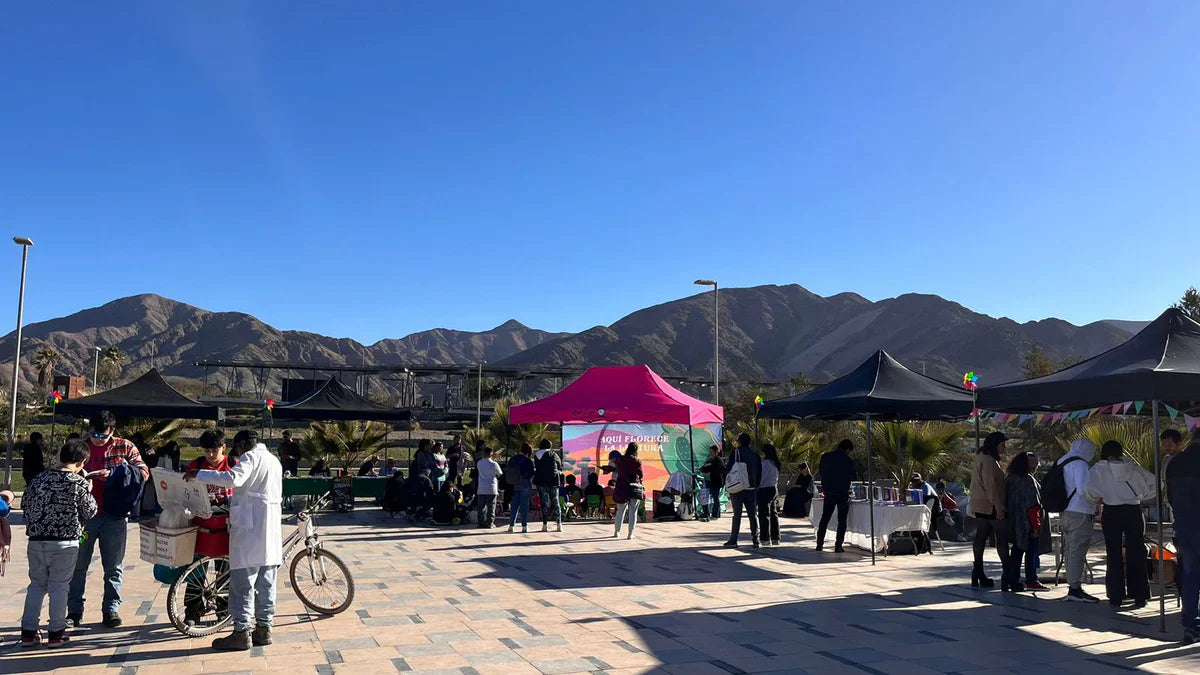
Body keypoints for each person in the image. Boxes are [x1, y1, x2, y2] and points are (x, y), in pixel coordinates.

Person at [188, 430, 283, 651]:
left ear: (241, 445)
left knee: (242, 584)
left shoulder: (250, 457)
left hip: (250, 530)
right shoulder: (273, 460)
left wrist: (199, 474)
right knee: (266, 583)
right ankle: (264, 628)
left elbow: (234, 478)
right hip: (269, 530)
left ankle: (241, 632)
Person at [68, 410, 148, 629]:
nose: (97, 439)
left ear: (111, 431)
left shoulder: (125, 446)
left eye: (102, 435)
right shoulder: (79, 447)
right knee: (78, 565)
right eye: (94, 434)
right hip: (84, 516)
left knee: (113, 566)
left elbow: (143, 472)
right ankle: (74, 610)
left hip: (114, 514)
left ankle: (110, 609)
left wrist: (114, 474)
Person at [20, 440, 97, 648]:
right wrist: (88, 490)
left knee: (36, 585)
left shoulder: (39, 479)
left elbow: (25, 505)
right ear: (81, 463)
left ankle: (28, 632)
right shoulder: (77, 483)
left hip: (36, 541)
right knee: (59, 587)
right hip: (65, 542)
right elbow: (90, 512)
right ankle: (55, 632)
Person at [1083, 440, 1156, 608]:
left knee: (1113, 552)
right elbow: (1155, 483)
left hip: (1112, 510)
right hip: (1133, 510)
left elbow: (1087, 490)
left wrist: (1098, 498)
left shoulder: (1099, 469)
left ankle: (1116, 595)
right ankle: (1139, 594)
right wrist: (1142, 495)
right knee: (1136, 551)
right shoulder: (1133, 467)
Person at [1166, 429, 1200, 643]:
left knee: (1189, 574)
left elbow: (1170, 497)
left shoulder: (1175, 463)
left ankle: (1190, 624)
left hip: (1185, 527)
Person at [1059, 438, 1100, 603]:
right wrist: (1098, 498)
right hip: (1080, 511)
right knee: (1077, 549)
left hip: (1066, 510)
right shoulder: (1080, 464)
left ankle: (1072, 584)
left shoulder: (1063, 461)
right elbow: (1084, 489)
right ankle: (1075, 588)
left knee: (1069, 549)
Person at [969, 431, 1011, 589]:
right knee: (1002, 536)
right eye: (1002, 444)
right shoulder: (988, 461)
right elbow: (990, 486)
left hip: (979, 503)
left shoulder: (980, 457)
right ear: (995, 445)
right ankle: (1008, 573)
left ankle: (978, 571)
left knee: (981, 535)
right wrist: (999, 507)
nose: (1004, 448)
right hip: (990, 504)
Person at [1003, 452, 1043, 592]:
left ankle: (1011, 578)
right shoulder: (1027, 480)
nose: (1037, 464)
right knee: (1030, 550)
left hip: (1013, 520)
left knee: (1016, 550)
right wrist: (1036, 526)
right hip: (1026, 522)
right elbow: (1033, 505)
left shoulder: (1010, 479)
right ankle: (1031, 579)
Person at [816, 439, 856, 553]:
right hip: (843, 493)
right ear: (847, 449)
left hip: (829, 492)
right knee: (842, 521)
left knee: (825, 518)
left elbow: (821, 472)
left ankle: (819, 544)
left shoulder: (825, 457)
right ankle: (838, 546)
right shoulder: (848, 461)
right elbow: (853, 476)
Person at [723, 434, 762, 548]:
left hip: (738, 487)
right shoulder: (755, 455)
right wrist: (756, 485)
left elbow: (729, 468)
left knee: (737, 514)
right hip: (751, 488)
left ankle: (733, 539)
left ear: (739, 442)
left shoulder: (736, 453)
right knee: (752, 515)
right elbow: (759, 472)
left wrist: (726, 480)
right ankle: (756, 539)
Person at [613, 442, 644, 539]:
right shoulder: (637, 460)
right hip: (634, 487)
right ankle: (630, 534)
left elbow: (618, 470)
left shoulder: (620, 460)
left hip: (622, 486)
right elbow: (641, 474)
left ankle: (617, 532)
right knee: (633, 511)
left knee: (620, 510)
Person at [534, 439, 563, 533]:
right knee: (556, 502)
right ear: (549, 446)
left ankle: (545, 525)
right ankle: (559, 524)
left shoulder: (536, 455)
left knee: (544, 503)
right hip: (553, 481)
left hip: (541, 481)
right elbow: (559, 465)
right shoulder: (553, 454)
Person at [507, 444, 535, 533]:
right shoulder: (528, 460)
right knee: (524, 506)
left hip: (514, 483)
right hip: (525, 484)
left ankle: (511, 525)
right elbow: (531, 473)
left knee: (514, 505)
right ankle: (524, 526)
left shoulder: (513, 459)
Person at [757, 443, 781, 546]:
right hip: (773, 488)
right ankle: (776, 537)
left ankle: (765, 538)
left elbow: (761, 478)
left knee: (764, 514)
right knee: (773, 514)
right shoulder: (775, 463)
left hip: (765, 489)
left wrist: (757, 487)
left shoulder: (765, 464)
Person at [911, 473, 940, 554]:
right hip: (922, 511)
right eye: (913, 481)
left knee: (914, 521)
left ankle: (921, 546)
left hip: (932, 512)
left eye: (917, 481)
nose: (915, 483)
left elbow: (923, 502)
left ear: (921, 479)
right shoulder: (916, 488)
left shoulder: (925, 487)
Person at [475, 447, 501, 528]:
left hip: (481, 487)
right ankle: (490, 522)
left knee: (481, 507)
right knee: (491, 506)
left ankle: (480, 522)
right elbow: (500, 473)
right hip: (491, 487)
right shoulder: (494, 463)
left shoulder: (479, 463)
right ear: (491, 454)